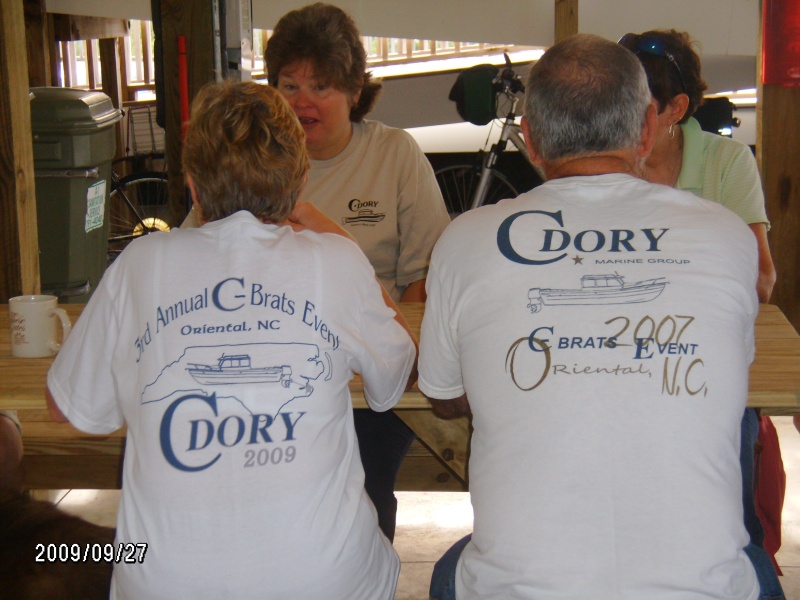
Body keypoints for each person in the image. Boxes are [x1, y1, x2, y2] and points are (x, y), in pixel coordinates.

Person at [420, 33, 773, 599]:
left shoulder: (465, 239)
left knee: (450, 568)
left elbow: (443, 393)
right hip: (704, 588)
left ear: (530, 140)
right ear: (644, 131)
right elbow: (728, 370)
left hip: (521, 589)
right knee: (752, 561)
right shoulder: (726, 234)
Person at [46, 80, 417, 600]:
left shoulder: (141, 263)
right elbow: (395, 376)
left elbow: (69, 406)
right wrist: (343, 242)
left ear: (193, 186)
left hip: (166, 585)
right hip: (324, 582)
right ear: (300, 179)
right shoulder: (333, 260)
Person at [268, 2, 452, 542]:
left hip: (375, 380)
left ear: (353, 92)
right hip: (277, 364)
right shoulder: (254, 156)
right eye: (288, 84)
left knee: (360, 492)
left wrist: (395, 350)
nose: (302, 101)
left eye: (320, 86)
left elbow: (425, 276)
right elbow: (196, 246)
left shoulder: (395, 153)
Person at [619, 29, 783, 588]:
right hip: (620, 359)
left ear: (677, 109)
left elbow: (761, 280)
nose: (621, 124)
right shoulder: (604, 160)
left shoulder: (726, 162)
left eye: (637, 110)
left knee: (729, 467)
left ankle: (743, 561)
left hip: (700, 361)